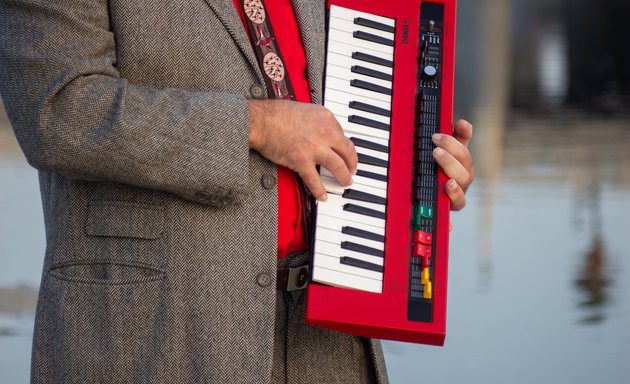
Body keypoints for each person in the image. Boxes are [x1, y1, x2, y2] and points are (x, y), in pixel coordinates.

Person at [0, 0, 474, 383]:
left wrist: (417, 174)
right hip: (162, 335)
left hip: (329, 338)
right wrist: (258, 124)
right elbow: (58, 110)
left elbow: (356, 99)